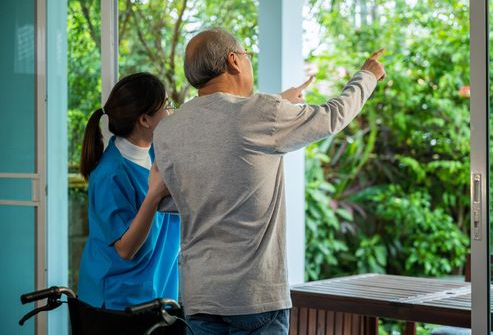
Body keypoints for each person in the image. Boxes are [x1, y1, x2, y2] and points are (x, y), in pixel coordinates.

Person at [153, 28, 385, 334]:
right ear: (233, 61)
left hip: (200, 298)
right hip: (254, 299)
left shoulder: (168, 130)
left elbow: (168, 200)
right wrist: (366, 75)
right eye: (247, 56)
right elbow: (332, 116)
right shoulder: (259, 112)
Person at [77, 72, 181, 312]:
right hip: (118, 301)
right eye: (167, 106)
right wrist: (154, 195)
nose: (172, 112)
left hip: (156, 290)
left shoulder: (157, 153)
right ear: (145, 120)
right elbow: (125, 249)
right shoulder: (109, 174)